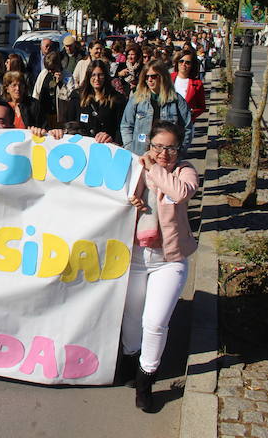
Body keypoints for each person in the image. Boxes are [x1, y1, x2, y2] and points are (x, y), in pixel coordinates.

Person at [122, 120, 199, 412]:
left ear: (179, 149)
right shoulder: (135, 167)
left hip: (169, 261)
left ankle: (146, 380)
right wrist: (132, 202)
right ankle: (131, 358)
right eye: (157, 146)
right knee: (131, 317)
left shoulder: (184, 171)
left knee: (154, 322)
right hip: (135, 257)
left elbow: (180, 193)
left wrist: (153, 167)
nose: (163, 153)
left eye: (170, 148)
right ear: (148, 144)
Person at [120, 61, 193, 156]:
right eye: (146, 77)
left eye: (153, 76)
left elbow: (187, 128)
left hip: (166, 156)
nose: (149, 80)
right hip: (141, 154)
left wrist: (179, 152)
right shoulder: (136, 99)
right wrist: (130, 149)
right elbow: (126, 125)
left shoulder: (176, 100)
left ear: (163, 77)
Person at [64, 61, 126, 144]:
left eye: (100, 75)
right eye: (93, 75)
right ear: (88, 76)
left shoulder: (117, 99)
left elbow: (121, 128)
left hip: (105, 146)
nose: (97, 79)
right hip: (81, 146)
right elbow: (69, 123)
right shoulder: (77, 96)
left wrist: (112, 139)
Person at [32, 51, 74, 128]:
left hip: (59, 115)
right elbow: (36, 92)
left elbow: (69, 96)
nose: (50, 71)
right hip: (43, 113)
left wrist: (61, 83)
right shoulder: (44, 73)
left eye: (52, 68)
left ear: (58, 64)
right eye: (48, 68)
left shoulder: (67, 76)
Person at [171, 53, 206, 121]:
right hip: (168, 123)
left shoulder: (197, 84)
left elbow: (201, 107)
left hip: (186, 124)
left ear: (192, 65)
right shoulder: (168, 78)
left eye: (187, 62)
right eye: (181, 61)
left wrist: (192, 113)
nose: (183, 64)